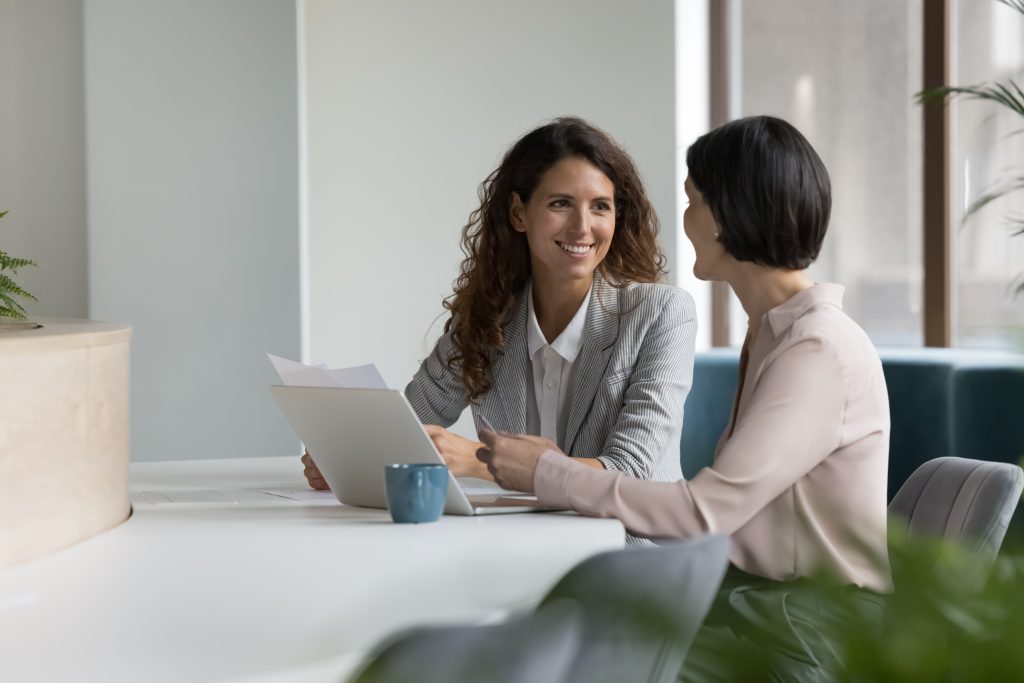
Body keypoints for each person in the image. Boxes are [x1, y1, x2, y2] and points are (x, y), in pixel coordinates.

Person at [477, 115, 892, 679]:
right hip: (754, 612)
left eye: (694, 201)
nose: (686, 218)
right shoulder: (775, 332)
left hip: (806, 634)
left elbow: (705, 513)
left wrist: (546, 471)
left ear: (727, 217)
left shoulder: (817, 349)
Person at [302, 117, 696, 509]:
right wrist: (350, 457)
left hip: (632, 552)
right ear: (518, 213)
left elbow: (632, 474)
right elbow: (412, 426)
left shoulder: (661, 314)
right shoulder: (488, 317)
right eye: (560, 203)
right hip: (516, 546)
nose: (582, 227)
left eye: (600, 207)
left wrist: (478, 461)